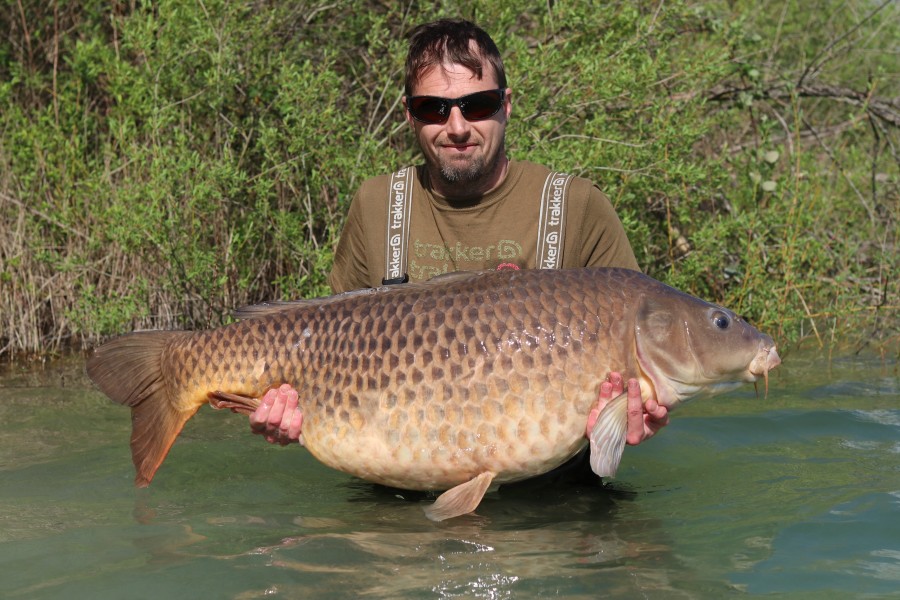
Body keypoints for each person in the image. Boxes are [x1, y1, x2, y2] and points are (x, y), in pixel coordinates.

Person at [248, 18, 669, 479]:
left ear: (506, 106)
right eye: (434, 109)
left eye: (477, 104)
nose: (457, 126)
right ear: (409, 115)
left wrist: (636, 414)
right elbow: (321, 340)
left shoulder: (578, 205)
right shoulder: (375, 205)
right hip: (397, 514)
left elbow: (640, 376)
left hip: (556, 512)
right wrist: (284, 410)